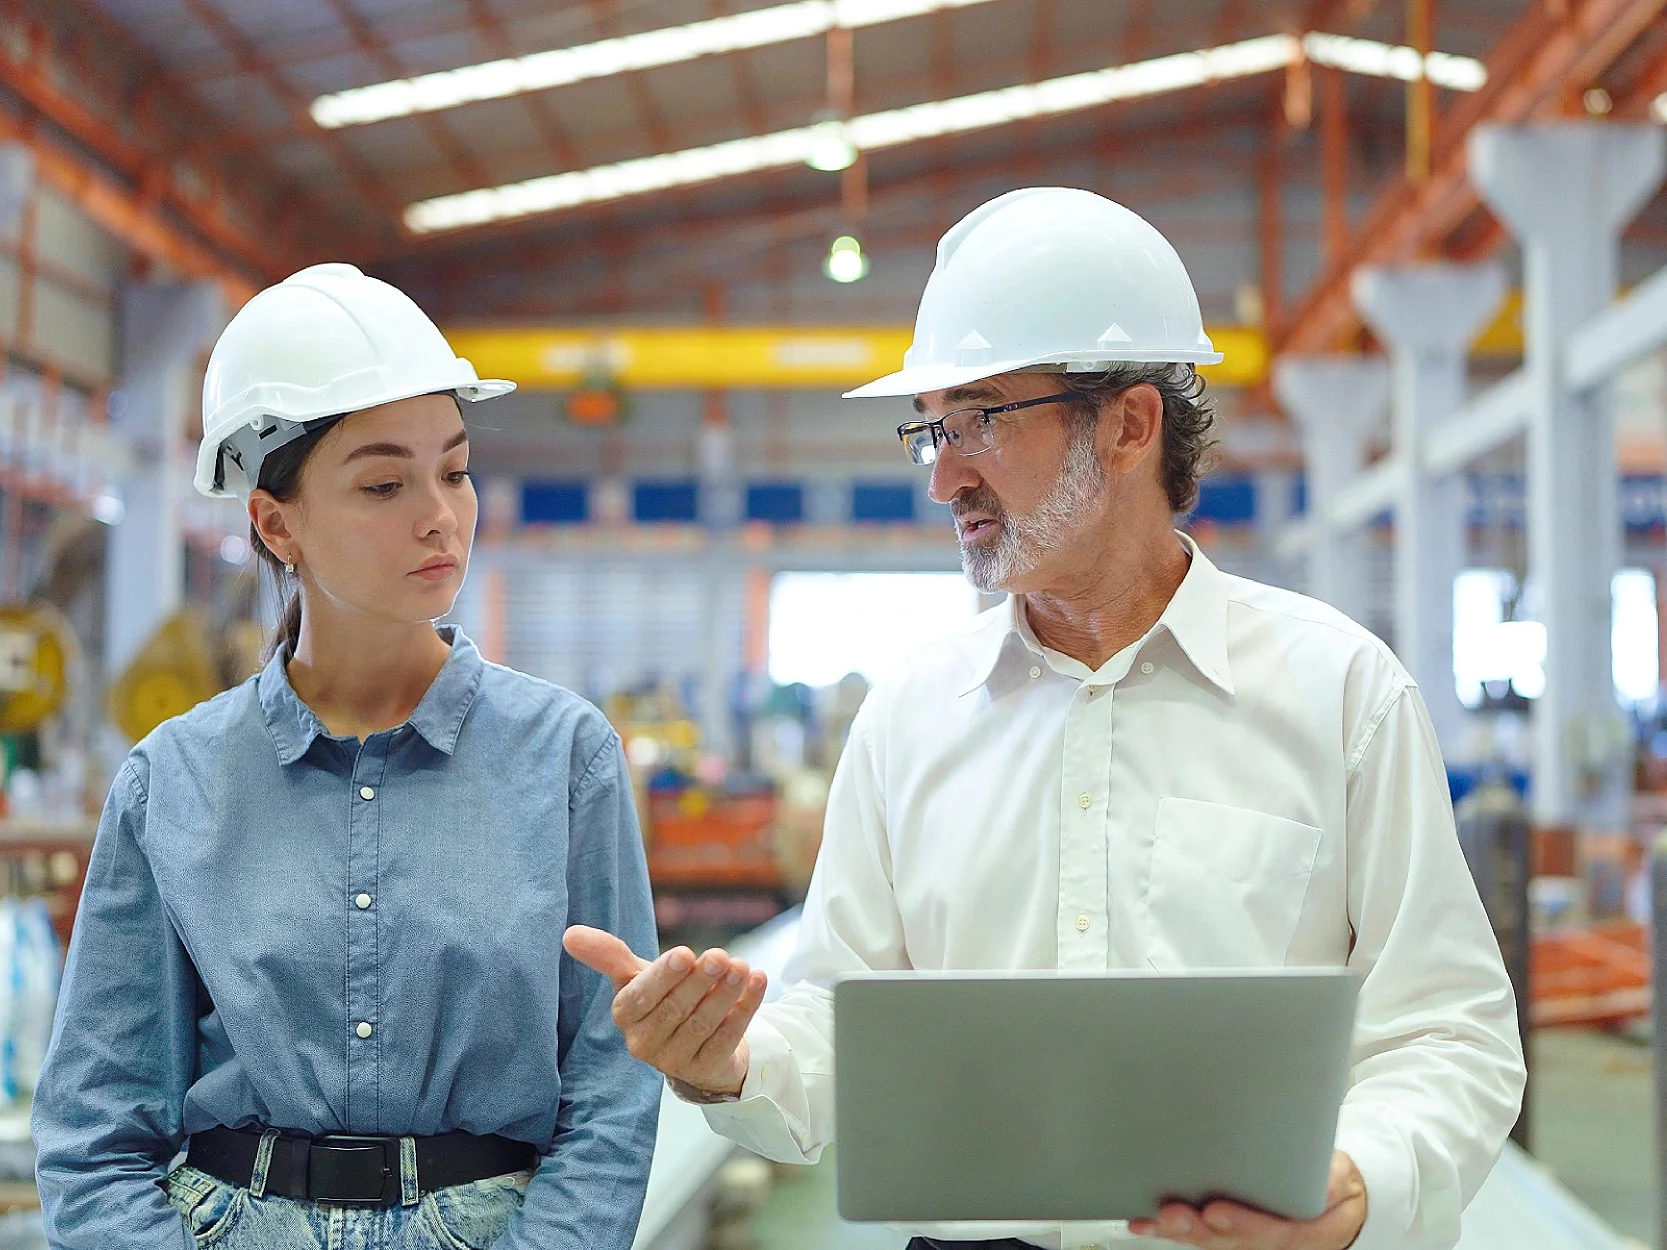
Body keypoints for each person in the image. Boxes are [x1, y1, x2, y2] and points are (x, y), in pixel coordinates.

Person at [566, 189, 1526, 1250]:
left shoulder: (1339, 693)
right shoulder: (913, 716)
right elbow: (838, 1017)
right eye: (929, 427)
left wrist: (1359, 1182)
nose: (942, 476)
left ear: (1126, 422)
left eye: (978, 418)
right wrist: (730, 1061)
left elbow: (1447, 1029)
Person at [33, 264, 660, 1250]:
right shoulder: (174, 782)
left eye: (453, 469)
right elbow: (94, 1132)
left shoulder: (565, 757)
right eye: (382, 482)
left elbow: (612, 1098)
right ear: (276, 522)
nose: (439, 513)